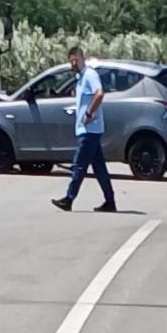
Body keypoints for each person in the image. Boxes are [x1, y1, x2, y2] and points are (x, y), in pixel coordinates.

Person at [51, 46, 117, 213]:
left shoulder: (89, 75)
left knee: (79, 165)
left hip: (90, 130)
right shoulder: (81, 78)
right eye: (71, 60)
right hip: (88, 129)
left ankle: (69, 198)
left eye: (76, 60)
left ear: (82, 58)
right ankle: (110, 201)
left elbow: (99, 94)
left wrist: (89, 113)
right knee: (99, 168)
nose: (73, 63)